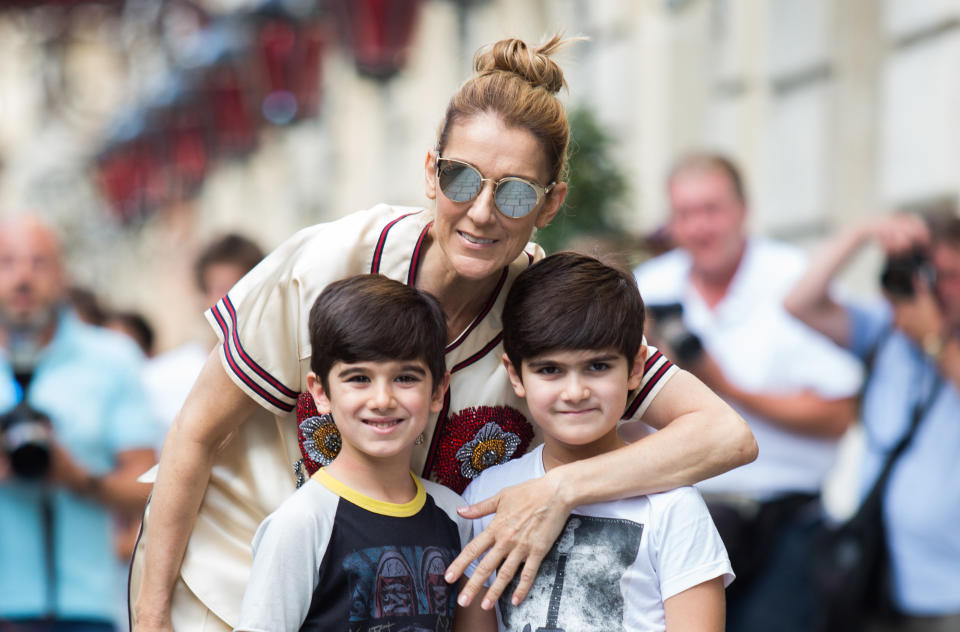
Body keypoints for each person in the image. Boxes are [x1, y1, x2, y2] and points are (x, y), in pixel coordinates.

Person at [131, 36, 757, 632]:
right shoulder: (329, 263)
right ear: (431, 172)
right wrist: (151, 618)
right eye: (462, 178)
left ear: (551, 203)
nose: (482, 211)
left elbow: (724, 435)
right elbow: (195, 433)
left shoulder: (546, 313)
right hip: (232, 585)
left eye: (516, 194)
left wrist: (559, 488)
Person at [633, 152, 864, 632]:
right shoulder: (646, 288)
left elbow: (838, 415)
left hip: (783, 526)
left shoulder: (793, 279)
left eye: (711, 209)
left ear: (743, 210)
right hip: (672, 523)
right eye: (685, 214)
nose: (699, 227)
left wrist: (723, 384)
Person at [464, 252, 733, 631]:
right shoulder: (487, 495)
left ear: (636, 367)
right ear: (516, 374)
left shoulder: (673, 507)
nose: (574, 392)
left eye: (597, 366)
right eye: (550, 370)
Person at [234, 274, 494, 631]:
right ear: (321, 392)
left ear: (438, 391)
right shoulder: (302, 524)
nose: (382, 400)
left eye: (405, 378)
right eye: (359, 378)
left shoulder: (456, 516)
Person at [785, 212, 960, 631]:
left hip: (949, 590)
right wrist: (861, 231)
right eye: (930, 274)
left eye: (952, 275)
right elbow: (799, 303)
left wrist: (934, 339)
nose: (938, 289)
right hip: (877, 574)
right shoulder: (886, 332)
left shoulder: (930, 337)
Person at [0, 215, 156, 631]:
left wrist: (78, 477)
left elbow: (150, 486)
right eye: (8, 262)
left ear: (63, 273)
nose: (22, 278)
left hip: (88, 608)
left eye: (39, 262)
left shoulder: (112, 359)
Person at [141, 233, 265, 441]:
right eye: (219, 289)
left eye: (238, 287)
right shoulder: (160, 378)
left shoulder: (285, 375)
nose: (228, 300)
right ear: (202, 296)